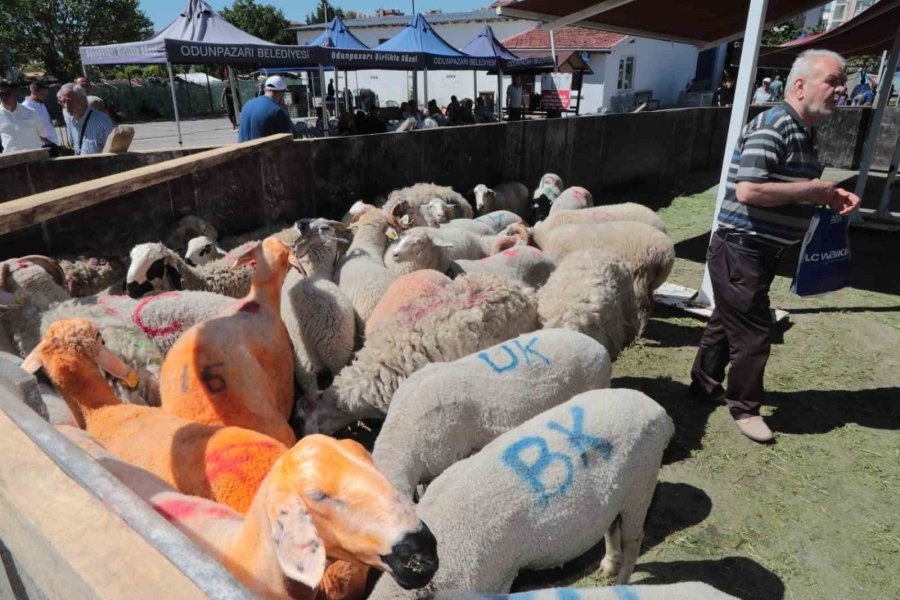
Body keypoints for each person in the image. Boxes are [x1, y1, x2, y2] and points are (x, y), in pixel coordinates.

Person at [690, 49, 860, 443]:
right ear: (800, 86)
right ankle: (745, 408)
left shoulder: (802, 129)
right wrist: (813, 190)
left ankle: (704, 383)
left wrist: (828, 195)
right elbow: (749, 190)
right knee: (753, 332)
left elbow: (788, 187)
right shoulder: (775, 125)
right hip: (741, 248)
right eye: (832, 81)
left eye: (842, 83)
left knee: (727, 320)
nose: (841, 90)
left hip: (756, 250)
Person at [57, 82, 113, 155]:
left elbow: (113, 149)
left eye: (69, 101)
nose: (66, 106)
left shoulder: (101, 120)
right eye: (63, 102)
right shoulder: (71, 120)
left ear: (82, 99)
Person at [238, 75, 294, 143]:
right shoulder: (277, 111)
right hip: (264, 150)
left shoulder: (247, 105)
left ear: (265, 89)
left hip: (242, 149)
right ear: (281, 92)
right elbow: (287, 140)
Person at [0, 80, 51, 154]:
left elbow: (43, 133)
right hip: (12, 158)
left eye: (7, 94)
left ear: (15, 94)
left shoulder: (31, 112)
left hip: (35, 156)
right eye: (1, 94)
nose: (4, 97)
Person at [21, 80, 58, 145]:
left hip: (52, 142)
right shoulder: (25, 107)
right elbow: (28, 130)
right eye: (43, 95)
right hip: (42, 146)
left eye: (46, 95)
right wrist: (46, 142)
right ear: (34, 92)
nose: (45, 97)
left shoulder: (41, 103)